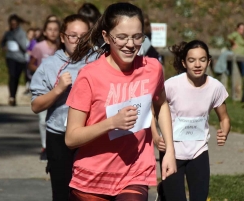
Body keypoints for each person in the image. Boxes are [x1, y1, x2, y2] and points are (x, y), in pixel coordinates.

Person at [65, 2, 177, 200]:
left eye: (137, 37)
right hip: (92, 178)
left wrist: (169, 150)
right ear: (107, 37)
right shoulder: (89, 75)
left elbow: (161, 104)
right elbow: (71, 138)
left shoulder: (152, 68)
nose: (131, 44)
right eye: (122, 37)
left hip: (135, 172)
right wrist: (111, 123)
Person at [153, 40, 231, 201]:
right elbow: (153, 111)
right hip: (171, 151)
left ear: (209, 61)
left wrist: (225, 131)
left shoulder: (215, 87)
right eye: (191, 60)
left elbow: (224, 117)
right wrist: (155, 136)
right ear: (184, 62)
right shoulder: (171, 85)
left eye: (202, 60)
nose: (197, 64)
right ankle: (164, 193)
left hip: (199, 150)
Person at [30, 14, 92, 201]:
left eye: (84, 36)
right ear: (63, 37)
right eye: (73, 36)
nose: (78, 41)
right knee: (62, 192)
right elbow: (36, 105)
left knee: (90, 193)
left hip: (91, 135)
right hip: (59, 136)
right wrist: (58, 90)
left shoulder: (98, 61)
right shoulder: (50, 65)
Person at [28, 19, 60, 161]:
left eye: (55, 29)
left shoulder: (62, 47)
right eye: (50, 29)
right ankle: (44, 146)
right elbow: (31, 64)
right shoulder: (39, 47)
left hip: (60, 87)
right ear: (45, 32)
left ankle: (57, 146)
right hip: (44, 87)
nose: (53, 32)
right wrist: (43, 71)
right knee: (43, 119)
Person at [1, 14, 28, 106]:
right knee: (12, 76)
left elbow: (25, 46)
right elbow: (3, 42)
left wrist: (17, 39)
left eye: (15, 24)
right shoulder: (8, 33)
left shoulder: (22, 33)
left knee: (16, 77)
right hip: (10, 57)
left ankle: (14, 95)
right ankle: (11, 96)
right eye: (11, 24)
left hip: (20, 58)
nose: (13, 26)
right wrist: (3, 47)